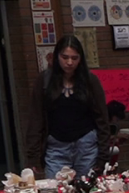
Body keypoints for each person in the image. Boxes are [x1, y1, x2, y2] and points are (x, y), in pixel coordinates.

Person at [26, 35, 110, 178]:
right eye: (65, 57)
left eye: (74, 58)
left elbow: (102, 118)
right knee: (55, 192)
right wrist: (33, 155)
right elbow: (36, 118)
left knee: (87, 192)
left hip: (86, 145)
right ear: (57, 57)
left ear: (80, 59)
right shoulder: (44, 80)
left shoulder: (90, 81)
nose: (69, 62)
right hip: (56, 147)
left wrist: (103, 155)